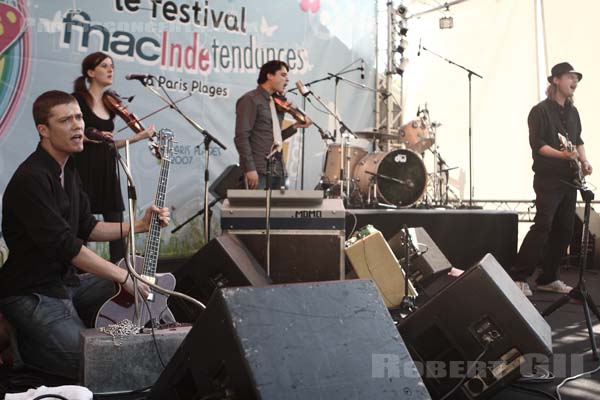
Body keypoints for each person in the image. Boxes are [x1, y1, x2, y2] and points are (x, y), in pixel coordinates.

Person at [0, 91, 169, 381]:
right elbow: (67, 246)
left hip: (68, 283)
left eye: (78, 117)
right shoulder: (32, 178)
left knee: (144, 284)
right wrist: (122, 277)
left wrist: (139, 225)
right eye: (65, 120)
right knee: (93, 363)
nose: (77, 125)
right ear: (44, 130)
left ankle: (96, 331)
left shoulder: (69, 171)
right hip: (32, 292)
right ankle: (23, 347)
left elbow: (88, 227)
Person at [512, 62, 593, 297]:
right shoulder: (539, 111)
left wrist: (584, 161)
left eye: (576, 78)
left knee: (564, 230)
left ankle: (548, 278)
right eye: (570, 77)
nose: (575, 81)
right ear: (556, 80)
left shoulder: (573, 111)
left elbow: (578, 140)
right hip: (548, 178)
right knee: (543, 226)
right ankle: (518, 276)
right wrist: (563, 155)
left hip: (569, 179)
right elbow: (538, 146)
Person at [72, 52, 155, 263]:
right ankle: (79, 274)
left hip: (107, 167)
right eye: (104, 66)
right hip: (83, 168)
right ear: (91, 72)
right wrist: (93, 138)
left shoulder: (110, 104)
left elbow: (109, 143)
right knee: (81, 224)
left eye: (112, 66)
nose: (111, 70)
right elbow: (73, 133)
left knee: (117, 222)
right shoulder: (78, 100)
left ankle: (121, 272)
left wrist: (140, 136)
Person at [234, 60, 312, 189]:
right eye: (283, 75)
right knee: (258, 209)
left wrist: (295, 126)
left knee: (281, 209)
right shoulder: (250, 99)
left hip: (279, 169)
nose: (287, 79)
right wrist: (250, 169)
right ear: (269, 75)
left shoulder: (277, 102)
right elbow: (241, 137)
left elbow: (275, 138)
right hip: (258, 169)